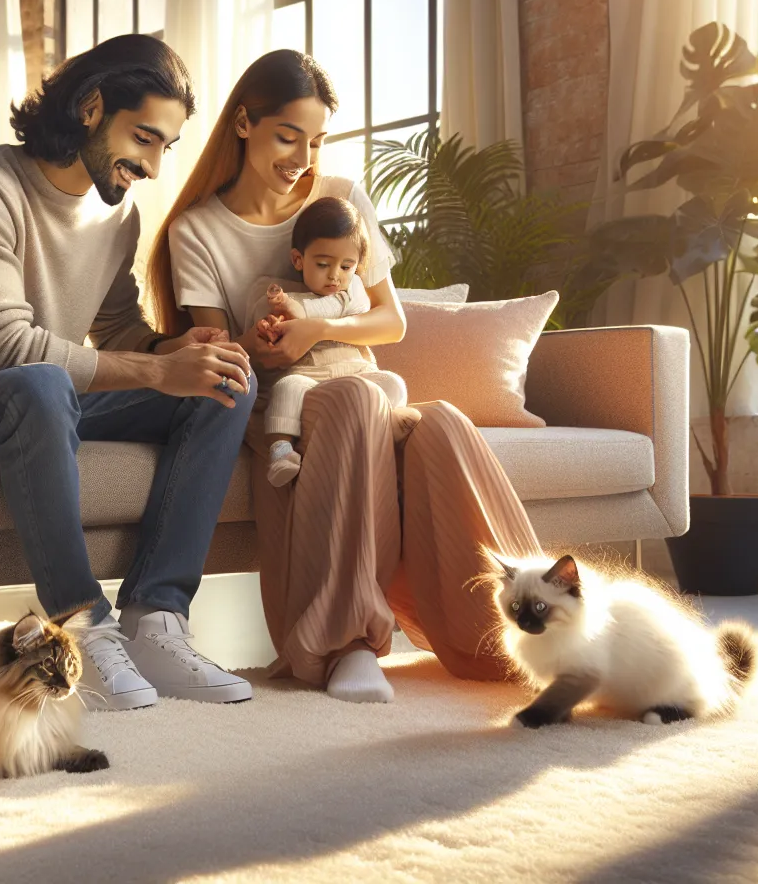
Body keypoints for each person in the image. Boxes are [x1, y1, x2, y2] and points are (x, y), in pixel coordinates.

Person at [147, 49, 546, 705]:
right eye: (288, 137)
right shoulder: (198, 230)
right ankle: (346, 644)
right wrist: (267, 342)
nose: (302, 158)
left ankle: (523, 629)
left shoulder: (340, 198)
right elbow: (221, 353)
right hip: (278, 407)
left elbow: (391, 322)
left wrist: (316, 330)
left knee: (442, 421)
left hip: (357, 385)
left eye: (316, 141)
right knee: (357, 398)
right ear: (244, 124)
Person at [0, 34, 258, 712]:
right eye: (143, 138)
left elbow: (117, 330)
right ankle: (85, 626)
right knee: (41, 381)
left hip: (47, 400)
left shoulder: (116, 215)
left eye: (165, 147)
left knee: (226, 380)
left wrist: (175, 349)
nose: (152, 166)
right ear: (91, 108)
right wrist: (156, 372)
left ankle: (158, 621)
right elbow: (3, 346)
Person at [250, 197, 412, 487]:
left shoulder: (352, 294)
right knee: (286, 388)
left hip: (356, 371)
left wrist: (293, 310)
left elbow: (323, 310)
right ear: (298, 260)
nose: (335, 275)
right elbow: (281, 331)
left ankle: (388, 419)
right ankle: (281, 450)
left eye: (347, 267)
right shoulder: (284, 295)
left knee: (393, 382)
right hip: (309, 376)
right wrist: (273, 325)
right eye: (323, 264)